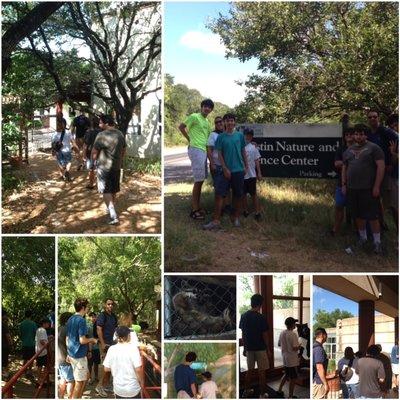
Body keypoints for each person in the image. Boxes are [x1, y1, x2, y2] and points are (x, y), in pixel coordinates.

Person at [342, 124, 385, 254]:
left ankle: (377, 242)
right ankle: (363, 238)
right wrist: (344, 184)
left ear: (366, 135)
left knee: (372, 216)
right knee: (358, 215)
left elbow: (381, 167)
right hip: (352, 189)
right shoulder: (348, 150)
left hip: (368, 188)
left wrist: (377, 186)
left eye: (361, 134)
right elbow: (344, 168)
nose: (358, 136)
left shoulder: (374, 148)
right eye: (356, 134)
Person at [203, 113, 248, 229]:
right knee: (219, 194)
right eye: (227, 121)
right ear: (224, 123)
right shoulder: (221, 137)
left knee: (238, 194)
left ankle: (235, 217)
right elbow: (219, 153)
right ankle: (216, 220)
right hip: (225, 171)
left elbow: (243, 151)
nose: (230, 123)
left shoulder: (239, 136)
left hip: (238, 169)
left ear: (234, 122)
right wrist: (224, 168)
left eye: (232, 120)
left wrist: (246, 166)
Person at [179, 99, 214, 220]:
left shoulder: (207, 122)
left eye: (209, 107)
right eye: (205, 106)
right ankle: (194, 210)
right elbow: (181, 127)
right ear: (202, 107)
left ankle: (198, 207)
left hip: (203, 150)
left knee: (201, 179)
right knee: (198, 180)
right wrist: (190, 140)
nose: (207, 108)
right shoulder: (194, 116)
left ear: (211, 110)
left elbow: (210, 136)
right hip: (196, 149)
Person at [92, 114, 126, 225]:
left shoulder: (101, 135)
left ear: (106, 123)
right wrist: (119, 160)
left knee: (106, 191)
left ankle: (113, 215)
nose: (99, 124)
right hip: (116, 166)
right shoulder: (120, 134)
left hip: (103, 167)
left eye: (100, 122)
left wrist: (94, 163)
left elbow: (94, 152)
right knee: (113, 189)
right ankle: (110, 209)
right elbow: (124, 149)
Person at [366, 110, 398, 229]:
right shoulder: (368, 133)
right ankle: (382, 224)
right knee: (376, 200)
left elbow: (396, 144)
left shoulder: (386, 132)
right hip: (373, 172)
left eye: (375, 116)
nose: (373, 119)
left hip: (388, 173)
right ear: (368, 119)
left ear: (378, 118)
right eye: (370, 117)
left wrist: (392, 160)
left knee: (392, 204)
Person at [239, 293, 272, 398]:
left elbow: (243, 334)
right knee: (262, 372)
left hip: (249, 348)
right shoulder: (261, 317)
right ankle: (262, 394)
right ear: (260, 304)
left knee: (250, 371)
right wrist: (268, 349)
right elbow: (265, 335)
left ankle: (246, 391)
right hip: (261, 349)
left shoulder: (244, 316)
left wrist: (244, 348)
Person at [66, 298, 98, 399]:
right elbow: (82, 340)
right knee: (79, 382)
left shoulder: (70, 319)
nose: (88, 309)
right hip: (78, 356)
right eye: (87, 307)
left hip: (72, 354)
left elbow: (68, 337)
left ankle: (78, 397)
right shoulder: (81, 320)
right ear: (83, 307)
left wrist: (68, 353)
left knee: (87, 375)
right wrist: (92, 339)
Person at [103, 326, 144, 399]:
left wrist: (116, 367)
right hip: (133, 389)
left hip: (118, 389)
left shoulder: (111, 349)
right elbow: (138, 369)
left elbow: (106, 369)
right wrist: (142, 383)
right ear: (128, 336)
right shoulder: (133, 349)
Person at [331, 127, 355, 235]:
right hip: (342, 183)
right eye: (347, 135)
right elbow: (336, 164)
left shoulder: (360, 148)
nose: (349, 136)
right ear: (344, 137)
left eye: (351, 134)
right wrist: (349, 162)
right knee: (339, 206)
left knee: (357, 209)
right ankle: (335, 229)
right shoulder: (341, 149)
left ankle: (359, 232)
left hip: (357, 184)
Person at [96, 298, 118, 397]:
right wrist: (103, 343)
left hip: (113, 344)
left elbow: (116, 329)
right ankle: (99, 386)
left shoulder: (114, 316)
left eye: (112, 304)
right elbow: (99, 329)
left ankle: (106, 385)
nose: (110, 306)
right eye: (108, 304)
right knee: (105, 366)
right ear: (105, 305)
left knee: (111, 366)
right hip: (104, 344)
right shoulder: (102, 315)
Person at [277, 317, 300, 399]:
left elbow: (279, 344)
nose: (295, 325)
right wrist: (299, 346)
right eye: (295, 323)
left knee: (286, 374)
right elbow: (295, 348)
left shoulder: (282, 333)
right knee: (293, 378)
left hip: (285, 358)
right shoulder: (293, 334)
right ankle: (290, 396)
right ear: (292, 324)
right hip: (292, 360)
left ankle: (279, 390)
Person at [243, 128, 262, 221]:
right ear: (244, 135)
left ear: (252, 137)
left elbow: (257, 161)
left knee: (253, 194)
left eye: (250, 135)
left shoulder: (254, 147)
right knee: (243, 194)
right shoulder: (240, 146)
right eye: (246, 135)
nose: (248, 137)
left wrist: (259, 173)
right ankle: (245, 211)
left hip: (252, 175)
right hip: (242, 175)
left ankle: (257, 212)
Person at [58, 312, 75, 399]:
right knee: (71, 380)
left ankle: (60, 396)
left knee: (63, 379)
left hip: (59, 359)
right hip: (66, 358)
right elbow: (69, 344)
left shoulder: (59, 328)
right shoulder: (67, 329)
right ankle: (70, 397)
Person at [386, 114, 398, 232]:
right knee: (394, 206)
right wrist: (393, 154)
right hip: (393, 177)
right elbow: (393, 161)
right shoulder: (393, 138)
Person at [83, 116, 101, 189]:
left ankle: (91, 184)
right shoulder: (102, 132)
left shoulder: (89, 132)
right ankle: (99, 184)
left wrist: (84, 155)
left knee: (91, 169)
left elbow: (85, 145)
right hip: (100, 152)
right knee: (99, 168)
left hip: (91, 153)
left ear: (92, 123)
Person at [19, 310, 37, 377]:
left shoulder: (22, 324)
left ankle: (23, 371)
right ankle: (29, 371)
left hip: (24, 343)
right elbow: (36, 333)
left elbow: (20, 334)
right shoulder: (33, 323)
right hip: (31, 344)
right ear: (31, 315)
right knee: (31, 359)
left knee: (25, 358)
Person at [312, 327, 329, 399]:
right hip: (319, 383)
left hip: (316, 381)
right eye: (326, 335)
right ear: (322, 335)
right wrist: (325, 384)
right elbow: (319, 368)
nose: (327, 337)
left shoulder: (314, 346)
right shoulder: (319, 349)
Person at [87, 312, 100, 384]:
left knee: (96, 363)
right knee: (89, 364)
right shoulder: (87, 326)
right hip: (89, 348)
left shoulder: (99, 326)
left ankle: (96, 377)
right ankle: (89, 378)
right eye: (92, 317)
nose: (93, 318)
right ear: (89, 318)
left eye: (94, 316)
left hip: (97, 347)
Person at [2, 311, 13, 380]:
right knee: (5, 361)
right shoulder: (3, 325)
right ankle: (6, 375)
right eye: (6, 315)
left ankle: (4, 374)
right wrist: (11, 344)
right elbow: (8, 336)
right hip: (4, 346)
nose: (7, 317)